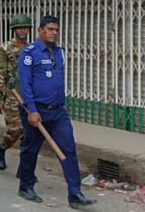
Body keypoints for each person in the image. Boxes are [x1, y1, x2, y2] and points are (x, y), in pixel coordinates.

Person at [17, 15, 96, 208]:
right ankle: (25, 186)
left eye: (56, 30)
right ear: (40, 31)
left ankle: (75, 194)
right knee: (30, 149)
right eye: (50, 29)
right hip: (37, 112)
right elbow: (25, 84)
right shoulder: (29, 53)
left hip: (58, 112)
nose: (54, 33)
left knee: (69, 150)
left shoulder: (59, 53)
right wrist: (32, 110)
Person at [0, 14, 31, 171]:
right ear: (14, 30)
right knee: (15, 129)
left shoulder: (31, 48)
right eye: (20, 28)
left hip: (27, 94)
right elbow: (0, 73)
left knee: (27, 133)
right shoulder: (5, 48)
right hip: (11, 94)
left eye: (25, 28)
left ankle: (25, 166)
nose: (23, 30)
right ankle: (1, 148)